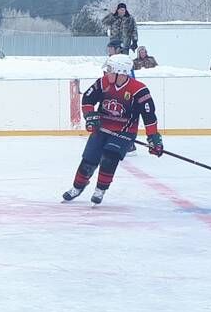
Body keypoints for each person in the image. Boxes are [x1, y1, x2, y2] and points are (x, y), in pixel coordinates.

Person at [62, 54, 162, 205]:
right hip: (102, 128)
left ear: (120, 72)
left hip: (124, 132)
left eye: (109, 70)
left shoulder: (139, 90)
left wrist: (153, 138)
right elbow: (88, 99)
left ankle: (100, 189)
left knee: (110, 157)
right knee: (89, 159)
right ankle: (77, 187)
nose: (106, 73)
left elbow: (149, 116)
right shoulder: (103, 83)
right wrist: (90, 116)